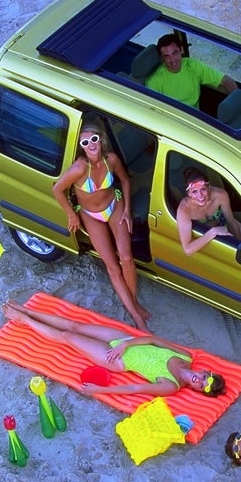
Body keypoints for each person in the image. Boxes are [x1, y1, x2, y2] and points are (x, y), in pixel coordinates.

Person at [1, 300, 226, 398]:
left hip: (117, 361)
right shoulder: (185, 356)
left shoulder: (171, 386)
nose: (199, 380)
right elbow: (151, 339)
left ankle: (23, 320)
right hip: (124, 340)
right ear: (205, 371)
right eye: (205, 377)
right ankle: (27, 310)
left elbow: (135, 389)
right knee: (75, 325)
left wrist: (98, 391)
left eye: (202, 386)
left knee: (68, 336)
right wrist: (126, 343)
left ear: (197, 390)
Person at [51, 125, 150, 331]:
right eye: (85, 142)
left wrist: (127, 209)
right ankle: (135, 315)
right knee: (112, 266)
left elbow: (124, 180)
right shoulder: (79, 168)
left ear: (100, 139)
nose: (91, 145)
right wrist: (71, 214)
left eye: (94, 139)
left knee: (127, 258)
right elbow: (57, 189)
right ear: (81, 146)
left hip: (114, 205)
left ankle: (134, 302)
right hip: (91, 215)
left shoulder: (111, 159)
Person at [146, 33, 241, 111]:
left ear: (181, 50)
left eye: (175, 53)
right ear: (162, 58)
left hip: (198, 118)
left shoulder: (192, 65)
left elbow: (226, 80)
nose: (172, 59)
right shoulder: (154, 82)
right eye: (167, 56)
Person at [176, 167, 241, 255]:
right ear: (189, 194)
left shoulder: (220, 195)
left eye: (203, 189)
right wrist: (213, 232)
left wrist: (239, 244)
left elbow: (231, 222)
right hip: (207, 237)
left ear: (209, 187)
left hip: (224, 225)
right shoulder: (184, 210)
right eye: (194, 191)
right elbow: (188, 249)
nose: (200, 195)